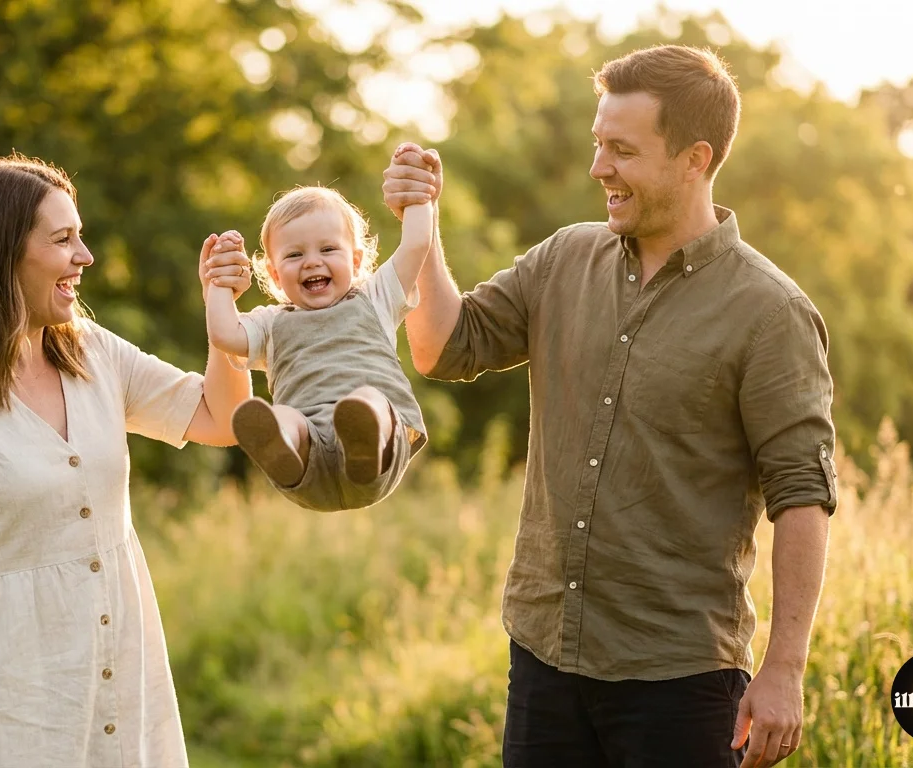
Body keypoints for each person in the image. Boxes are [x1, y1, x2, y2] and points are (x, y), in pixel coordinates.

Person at [383, 45, 836, 768]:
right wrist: (421, 222)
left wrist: (784, 668)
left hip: (679, 679)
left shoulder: (770, 312)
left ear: (695, 159)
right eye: (599, 145)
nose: (599, 168)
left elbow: (802, 494)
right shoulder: (565, 258)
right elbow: (445, 346)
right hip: (544, 656)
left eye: (622, 150)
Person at [0, 154, 252, 768]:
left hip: (126, 690)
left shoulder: (94, 352)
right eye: (63, 239)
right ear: (1, 254)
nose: (85, 256)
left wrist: (221, 309)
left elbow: (223, 419)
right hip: (8, 705)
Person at [202, 173, 437, 512]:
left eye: (328, 249)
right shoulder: (271, 323)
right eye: (294, 255)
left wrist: (417, 193)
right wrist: (219, 284)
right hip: (310, 460)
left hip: (381, 458)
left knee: (368, 399)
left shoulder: (375, 297)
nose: (312, 261)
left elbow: (416, 244)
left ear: (355, 260)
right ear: (275, 274)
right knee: (284, 417)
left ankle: (363, 443)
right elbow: (224, 334)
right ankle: (279, 446)